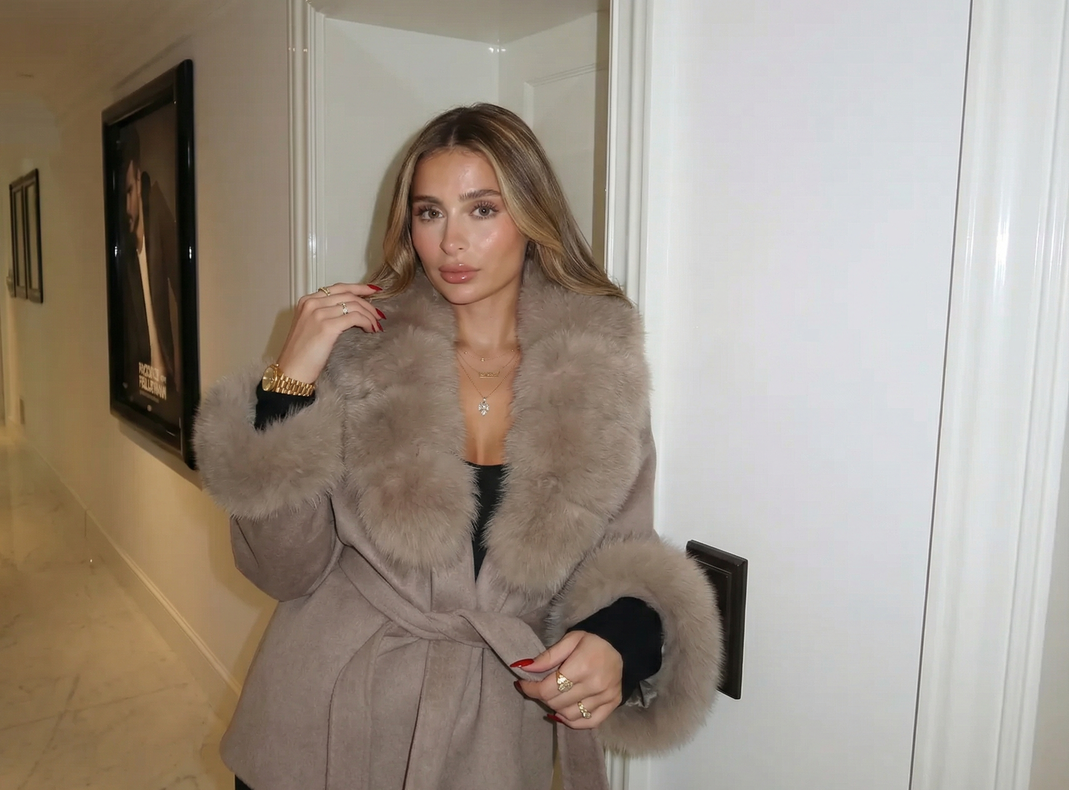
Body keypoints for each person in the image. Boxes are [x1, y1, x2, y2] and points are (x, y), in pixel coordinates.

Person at [194, 103, 722, 790]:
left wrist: (620, 641)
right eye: (429, 213)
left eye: (482, 210)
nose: (450, 242)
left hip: (492, 734)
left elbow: (622, 555)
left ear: (532, 218)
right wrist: (287, 383)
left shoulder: (600, 372)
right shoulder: (357, 357)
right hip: (323, 724)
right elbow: (283, 572)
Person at [117, 124, 180, 413]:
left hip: (171, 386)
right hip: (141, 391)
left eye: (130, 191)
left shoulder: (158, 212)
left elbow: (184, 291)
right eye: (122, 196)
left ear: (139, 181)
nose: (126, 207)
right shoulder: (123, 250)